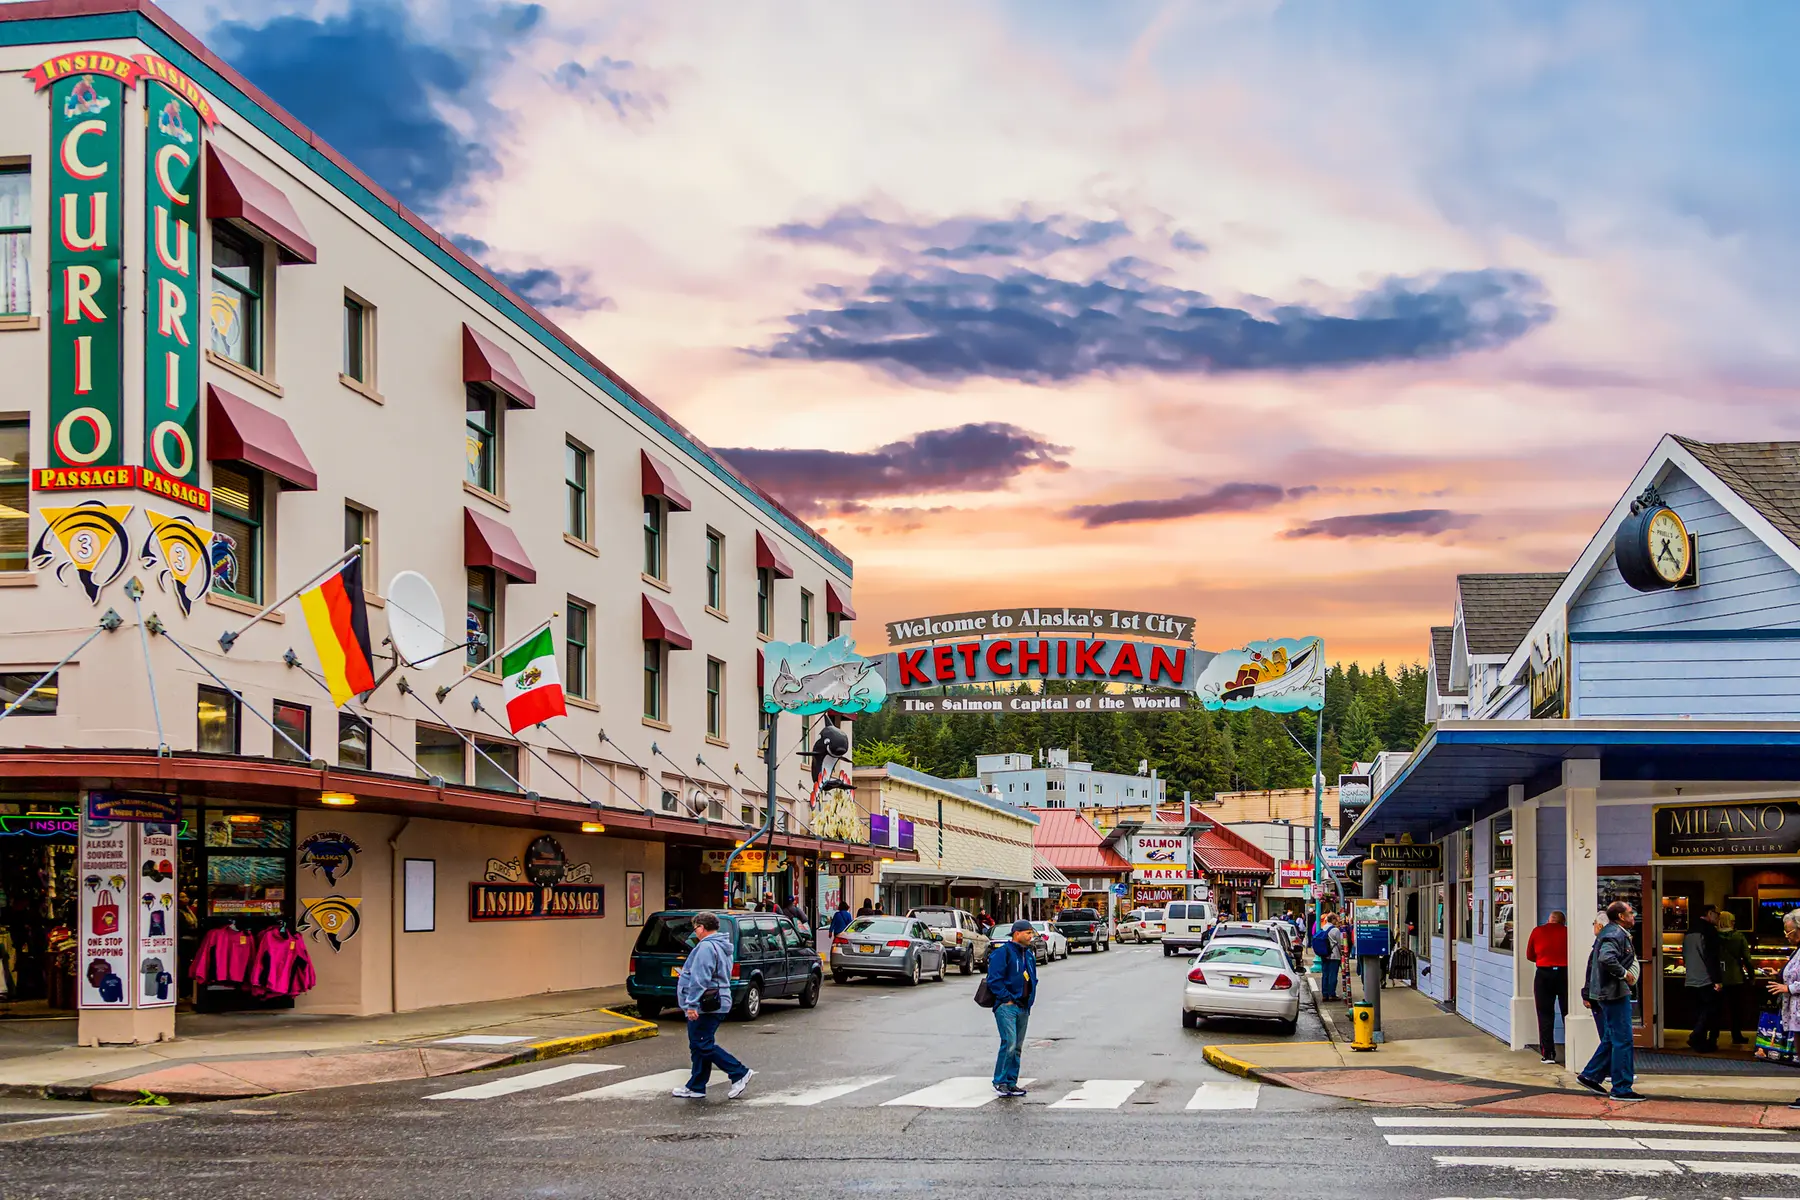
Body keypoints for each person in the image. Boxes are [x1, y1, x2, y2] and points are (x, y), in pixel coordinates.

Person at [670, 912, 754, 1101]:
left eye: (695, 928)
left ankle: (739, 1072)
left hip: (706, 1004)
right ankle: (696, 1086)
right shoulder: (720, 945)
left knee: (702, 1043)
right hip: (717, 1000)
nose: (695, 932)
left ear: (701, 927)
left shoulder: (706, 947)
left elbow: (701, 977)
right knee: (698, 1044)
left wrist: (691, 1004)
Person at [1577, 901, 1644, 1101]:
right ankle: (1621, 1088)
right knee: (1623, 1040)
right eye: (1630, 913)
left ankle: (1590, 1075)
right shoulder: (1615, 934)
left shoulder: (1612, 932)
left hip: (1608, 993)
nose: (1634, 916)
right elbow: (1607, 958)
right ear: (1621, 916)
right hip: (1614, 993)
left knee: (1611, 1037)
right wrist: (1625, 974)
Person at [986, 919, 1038, 1098]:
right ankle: (1000, 1081)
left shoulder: (1029, 955)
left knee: (1017, 1046)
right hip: (1007, 1007)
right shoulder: (1003, 953)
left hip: (1023, 1007)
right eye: (1028, 933)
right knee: (1009, 1042)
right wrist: (1006, 998)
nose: (1031, 936)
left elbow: (1033, 979)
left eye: (1031, 933)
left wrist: (1029, 1000)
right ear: (1017, 934)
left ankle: (1011, 1082)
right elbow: (994, 979)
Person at [1762, 909, 1800, 1106]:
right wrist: (1779, 974)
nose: (1787, 936)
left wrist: (1788, 987)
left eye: (1790, 932)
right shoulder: (1798, 949)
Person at [1525, 910, 1569, 1064]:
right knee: (1567, 1012)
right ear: (1563, 922)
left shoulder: (1538, 931)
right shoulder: (1568, 932)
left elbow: (1529, 955)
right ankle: (1572, 1050)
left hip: (1544, 973)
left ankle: (1548, 1053)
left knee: (1544, 1014)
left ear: (1549, 920)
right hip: (1565, 973)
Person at [1684, 904, 1724, 1052]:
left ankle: (1700, 1041)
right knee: (1711, 1011)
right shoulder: (1709, 931)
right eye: (1716, 913)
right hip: (1706, 978)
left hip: (1691, 978)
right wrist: (1717, 980)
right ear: (1709, 913)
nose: (1718, 917)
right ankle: (1698, 1038)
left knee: (1699, 1011)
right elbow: (1711, 957)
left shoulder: (1689, 930)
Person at [1718, 910, 1755, 1047]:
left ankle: (1713, 1036)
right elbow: (1747, 959)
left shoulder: (1713, 936)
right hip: (1735, 977)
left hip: (1717, 977)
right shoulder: (1739, 937)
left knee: (1716, 1008)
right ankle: (1736, 1035)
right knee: (1736, 1009)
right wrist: (1751, 975)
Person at [1311, 913, 1339, 1001]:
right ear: (1333, 919)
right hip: (1334, 955)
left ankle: (1325, 994)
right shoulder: (1335, 930)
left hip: (1324, 955)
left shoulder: (1322, 928)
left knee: (1325, 974)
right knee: (1333, 975)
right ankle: (1332, 994)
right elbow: (1341, 943)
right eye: (1336, 919)